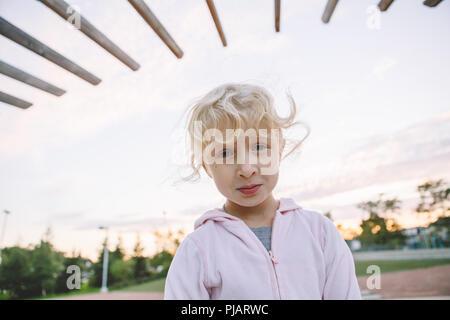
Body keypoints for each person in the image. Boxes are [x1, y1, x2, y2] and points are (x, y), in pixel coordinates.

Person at [164, 83, 361, 300]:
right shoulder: (198, 251)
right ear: (207, 167)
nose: (247, 169)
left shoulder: (320, 233)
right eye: (225, 153)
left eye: (259, 147)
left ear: (279, 150)